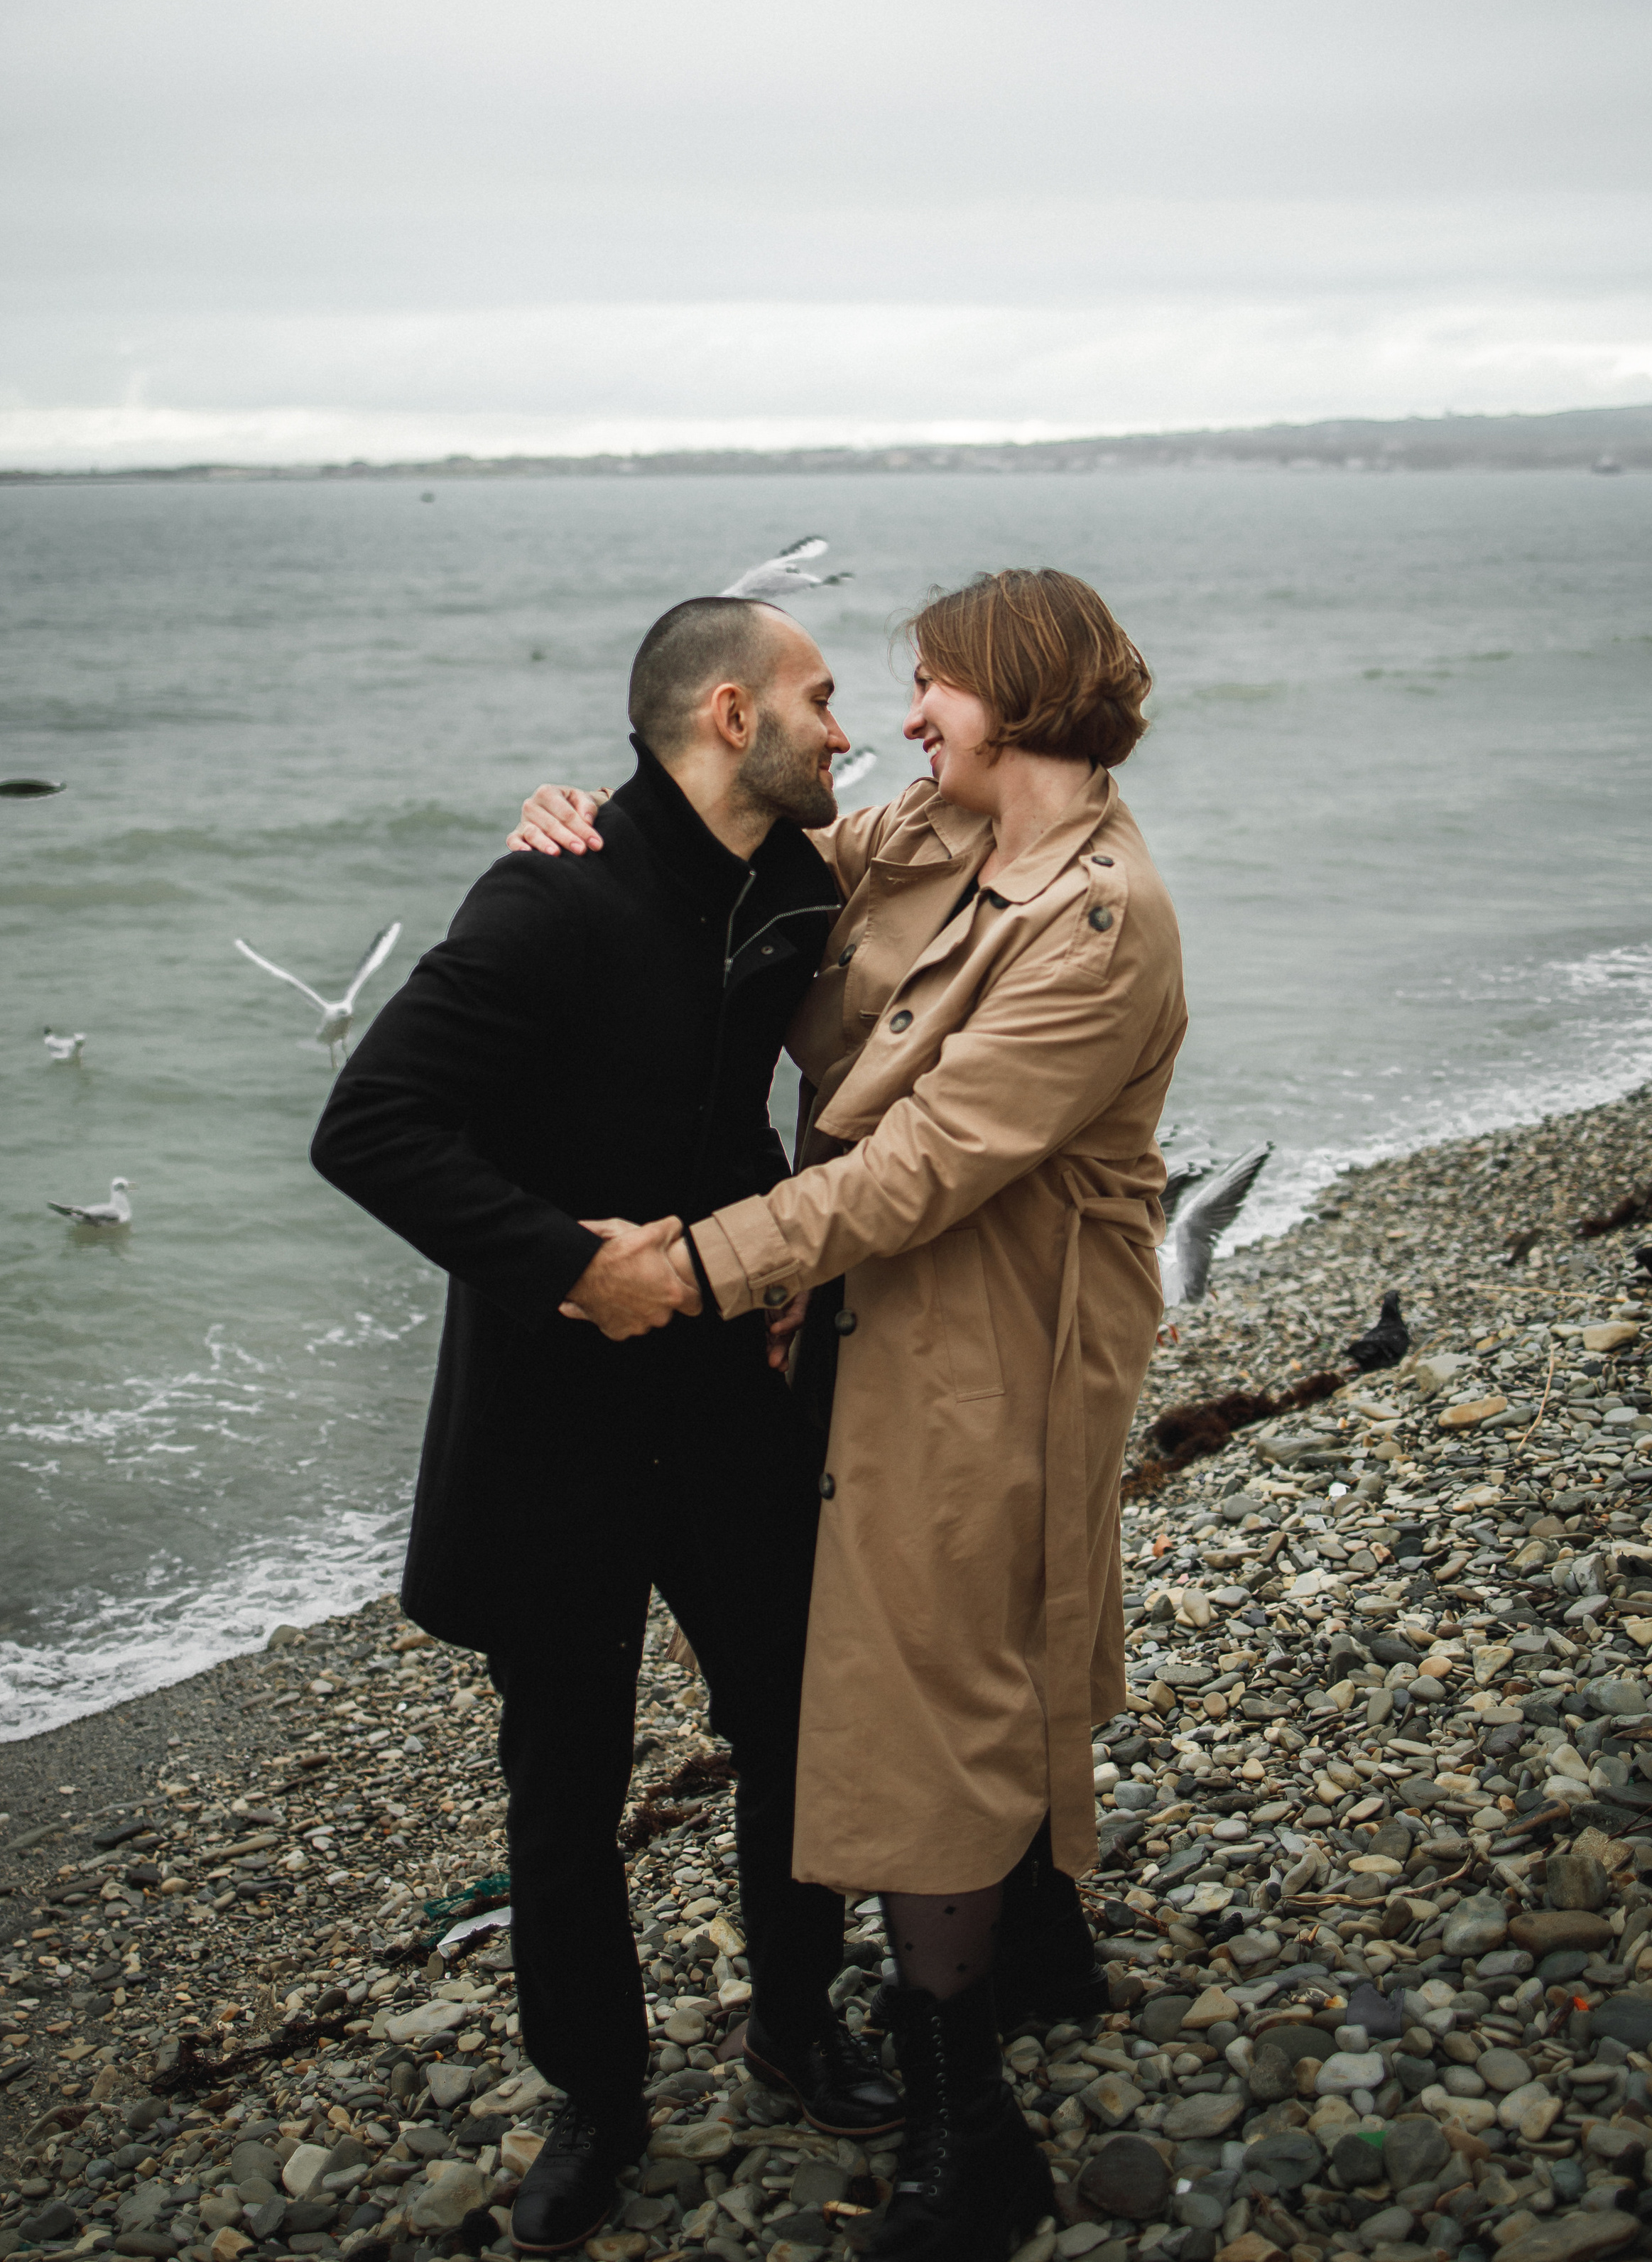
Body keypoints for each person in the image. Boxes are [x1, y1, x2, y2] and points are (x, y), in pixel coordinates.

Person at [513, 569, 1188, 2262]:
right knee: (963, 1633)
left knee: (927, 1673)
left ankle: (974, 2139)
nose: (901, 720)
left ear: (1018, 703)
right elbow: (745, 861)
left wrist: (683, 1266)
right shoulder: (934, 837)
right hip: (882, 1306)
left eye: (933, 689)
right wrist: (583, 825)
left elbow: (923, 1167)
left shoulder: (1097, 922)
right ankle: (1034, 1944)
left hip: (995, 1323)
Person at [309, 597, 901, 2258]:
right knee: (562, 1785)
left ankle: (797, 2020)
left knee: (791, 1721)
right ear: (730, 714)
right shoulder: (547, 898)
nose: (842, 726)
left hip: (727, 1395)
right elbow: (368, 1127)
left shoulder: (794, 881)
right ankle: (600, 2095)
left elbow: (740, 1092)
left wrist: (784, 1232)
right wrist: (572, 1269)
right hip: (553, 1415)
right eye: (820, 696)